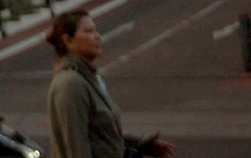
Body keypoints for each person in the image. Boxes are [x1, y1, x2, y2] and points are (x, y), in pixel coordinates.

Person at [45, 10, 176, 158]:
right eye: (89, 31)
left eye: (96, 30)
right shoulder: (70, 84)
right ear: (68, 40)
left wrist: (140, 145)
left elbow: (101, 137)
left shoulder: (89, 78)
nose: (97, 37)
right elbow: (76, 148)